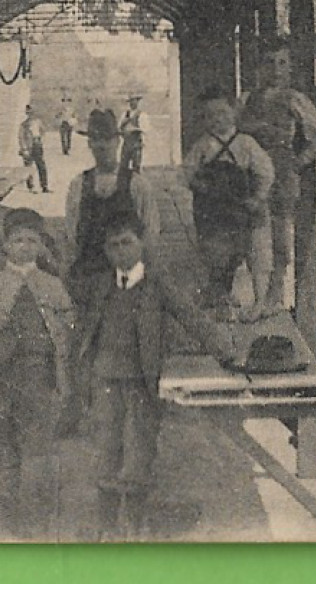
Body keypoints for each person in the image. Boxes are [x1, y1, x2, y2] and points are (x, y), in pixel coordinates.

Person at [77, 214, 232, 540]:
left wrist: (227, 353)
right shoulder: (101, 285)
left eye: (127, 243)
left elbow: (191, 316)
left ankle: (135, 525)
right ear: (106, 251)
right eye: (114, 246)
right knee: (106, 448)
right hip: (104, 378)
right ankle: (107, 529)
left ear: (142, 244)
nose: (121, 252)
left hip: (141, 382)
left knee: (139, 449)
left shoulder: (157, 284)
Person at [0, 208, 77, 537]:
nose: (25, 247)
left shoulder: (52, 284)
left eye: (32, 240)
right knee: (2, 446)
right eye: (17, 240)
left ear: (42, 245)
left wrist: (62, 326)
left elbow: (72, 326)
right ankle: (10, 512)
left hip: (38, 374)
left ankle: (40, 514)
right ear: (5, 245)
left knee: (38, 445)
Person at [237, 38, 316, 310]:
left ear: (289, 68)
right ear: (259, 68)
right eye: (270, 63)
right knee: (254, 233)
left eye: (282, 63)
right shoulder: (247, 99)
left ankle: (275, 295)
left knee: (280, 232)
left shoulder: (293, 99)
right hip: (252, 172)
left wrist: (298, 161)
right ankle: (258, 297)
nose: (276, 69)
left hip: (281, 171)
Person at [184, 88, 276, 319]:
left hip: (245, 206)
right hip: (215, 210)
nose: (218, 120)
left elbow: (266, 171)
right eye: (211, 115)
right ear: (204, 120)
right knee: (218, 254)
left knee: (256, 252)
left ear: (234, 113)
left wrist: (258, 197)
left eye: (223, 113)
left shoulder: (246, 143)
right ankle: (221, 299)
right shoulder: (203, 146)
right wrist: (198, 185)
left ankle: (259, 301)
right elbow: (186, 172)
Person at [60, 109, 165, 311]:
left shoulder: (137, 184)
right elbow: (71, 235)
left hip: (127, 276)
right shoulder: (79, 185)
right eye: (96, 139)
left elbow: (151, 233)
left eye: (107, 139)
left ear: (117, 142)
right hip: (90, 274)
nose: (102, 146)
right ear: (89, 144)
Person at [18, 104, 50, 193]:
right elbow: (21, 138)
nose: (31, 115)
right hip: (28, 147)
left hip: (37, 145)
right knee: (29, 167)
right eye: (29, 113)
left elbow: (43, 131)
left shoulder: (38, 122)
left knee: (42, 166)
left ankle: (44, 186)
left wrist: (40, 139)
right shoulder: (24, 125)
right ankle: (31, 187)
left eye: (32, 113)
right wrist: (24, 149)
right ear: (27, 114)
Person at [119, 95, 146, 173]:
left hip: (136, 141)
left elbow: (145, 129)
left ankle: (136, 177)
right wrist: (123, 123)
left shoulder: (141, 114)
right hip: (127, 141)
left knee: (136, 163)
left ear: (137, 101)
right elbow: (120, 127)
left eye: (134, 101)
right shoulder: (125, 114)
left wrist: (135, 129)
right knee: (124, 164)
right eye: (130, 101)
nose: (132, 103)